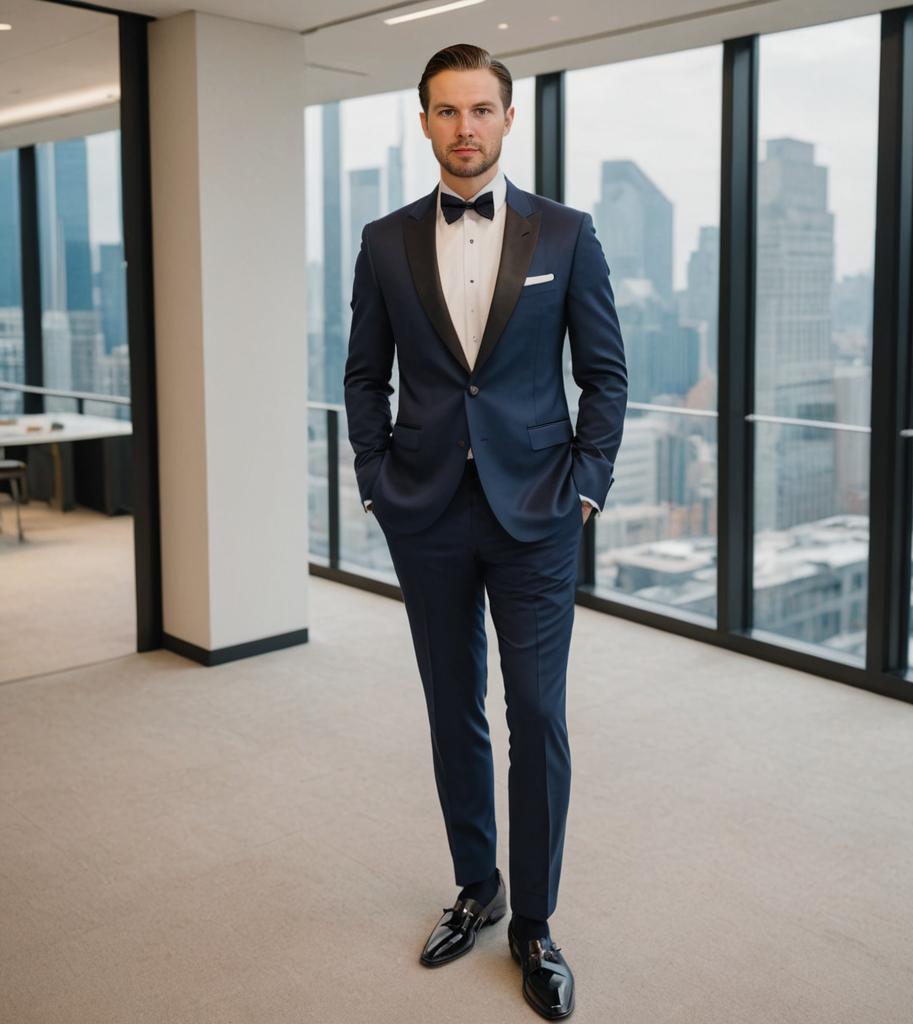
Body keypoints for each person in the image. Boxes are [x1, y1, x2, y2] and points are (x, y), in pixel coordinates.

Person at [344, 42, 627, 1021]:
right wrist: (376, 480)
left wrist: (586, 487)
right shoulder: (383, 241)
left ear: (509, 120)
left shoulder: (566, 234)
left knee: (536, 718)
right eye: (447, 111)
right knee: (452, 706)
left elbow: (606, 374)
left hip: (539, 511)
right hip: (423, 509)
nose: (465, 128)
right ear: (422, 123)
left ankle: (534, 923)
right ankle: (477, 884)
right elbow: (361, 373)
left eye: (481, 110)